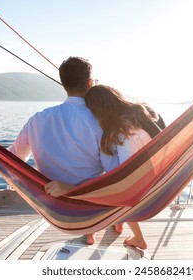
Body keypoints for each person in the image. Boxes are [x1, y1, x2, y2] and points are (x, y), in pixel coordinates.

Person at [9, 57, 119, 245]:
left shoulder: (37, 119)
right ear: (90, 83)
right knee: (121, 184)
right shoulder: (100, 122)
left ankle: (89, 230)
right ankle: (103, 224)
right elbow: (115, 174)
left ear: (63, 84)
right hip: (89, 205)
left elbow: (13, 158)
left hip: (54, 205)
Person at [45, 84, 165, 250]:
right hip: (160, 175)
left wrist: (73, 189)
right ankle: (118, 221)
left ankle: (133, 237)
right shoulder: (144, 111)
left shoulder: (124, 135)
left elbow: (125, 180)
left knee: (113, 192)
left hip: (142, 186)